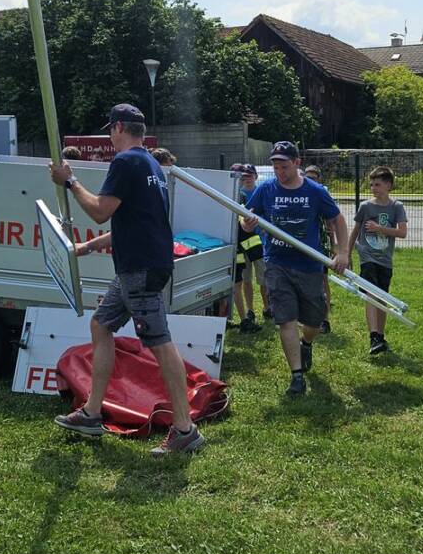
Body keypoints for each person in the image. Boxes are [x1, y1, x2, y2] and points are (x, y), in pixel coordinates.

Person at [48, 104, 204, 456]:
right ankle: (91, 413)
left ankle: (185, 430)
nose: (108, 136)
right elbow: (133, 223)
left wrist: (70, 181)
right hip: (137, 266)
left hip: (140, 269)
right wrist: (88, 247)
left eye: (110, 129)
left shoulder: (125, 162)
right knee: (101, 325)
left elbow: (101, 211)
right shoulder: (150, 163)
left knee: (160, 343)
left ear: (119, 127)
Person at [243, 142, 350, 396]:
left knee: (314, 319)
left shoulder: (315, 191)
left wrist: (343, 251)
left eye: (284, 166)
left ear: (297, 163)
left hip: (309, 265)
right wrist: (247, 224)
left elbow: (337, 218)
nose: (280, 171)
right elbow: (246, 218)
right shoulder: (266, 188)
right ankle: (297, 375)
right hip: (277, 263)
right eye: (276, 166)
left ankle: (307, 343)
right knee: (286, 320)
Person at [350, 165, 408, 355]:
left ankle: (380, 338)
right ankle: (373, 335)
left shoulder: (396, 207)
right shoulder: (366, 206)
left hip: (385, 260)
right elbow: (355, 231)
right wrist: (347, 252)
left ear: (389, 185)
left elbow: (402, 232)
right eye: (372, 184)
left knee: (382, 298)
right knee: (371, 294)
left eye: (378, 184)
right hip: (367, 257)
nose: (374, 188)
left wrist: (379, 228)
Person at [229, 163, 263, 332]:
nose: (243, 180)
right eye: (241, 177)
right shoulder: (234, 194)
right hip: (232, 245)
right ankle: (243, 320)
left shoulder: (240, 195)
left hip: (240, 246)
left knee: (239, 282)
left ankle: (243, 317)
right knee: (237, 283)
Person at [303, 164, 335, 332]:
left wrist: (334, 245)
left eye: (313, 177)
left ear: (319, 179)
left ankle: (325, 319)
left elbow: (331, 222)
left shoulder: (322, 194)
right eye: (307, 176)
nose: (309, 180)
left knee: (322, 281)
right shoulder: (300, 192)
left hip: (320, 245)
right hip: (302, 246)